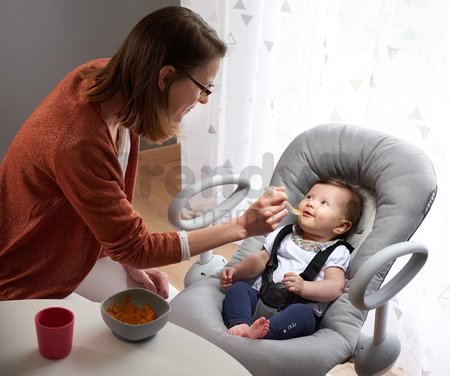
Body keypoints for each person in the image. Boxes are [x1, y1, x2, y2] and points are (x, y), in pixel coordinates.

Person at [0, 6, 288, 301]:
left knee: (169, 306)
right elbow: (137, 247)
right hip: (29, 276)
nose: (203, 101)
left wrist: (126, 259)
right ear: (165, 76)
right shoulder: (79, 140)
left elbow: (109, 214)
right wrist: (241, 226)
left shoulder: (110, 82)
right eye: (204, 87)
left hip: (77, 249)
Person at [220, 179, 363, 340]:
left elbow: (335, 286)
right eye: (309, 197)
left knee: (302, 315)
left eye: (323, 203)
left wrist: (304, 287)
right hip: (261, 297)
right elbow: (260, 259)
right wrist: (237, 271)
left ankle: (266, 332)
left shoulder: (337, 251)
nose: (310, 204)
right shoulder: (284, 234)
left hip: (297, 309)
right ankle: (241, 324)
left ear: (340, 226)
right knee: (239, 289)